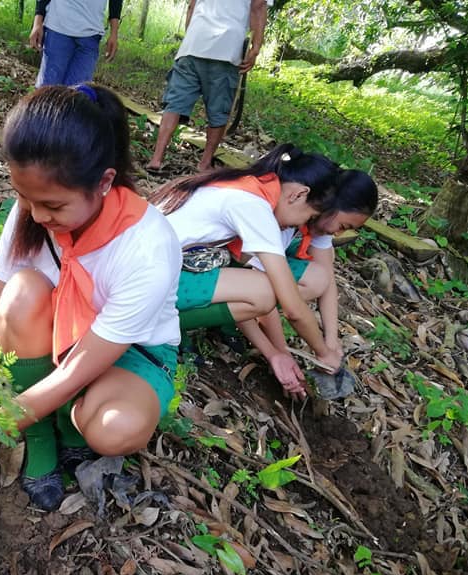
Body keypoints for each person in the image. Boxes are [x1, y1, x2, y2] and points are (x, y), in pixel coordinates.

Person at [0, 84, 181, 512]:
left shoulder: (147, 247)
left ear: (104, 182)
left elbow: (71, 375)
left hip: (129, 352)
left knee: (115, 430)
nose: (37, 215)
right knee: (21, 293)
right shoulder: (31, 211)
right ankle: (41, 436)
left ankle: (69, 427)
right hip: (50, 337)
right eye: (24, 197)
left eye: (53, 205)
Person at [149, 143, 343, 396]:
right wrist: (324, 352)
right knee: (266, 290)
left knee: (262, 290)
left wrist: (276, 354)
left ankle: (159, 321)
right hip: (146, 277)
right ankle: (154, 326)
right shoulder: (253, 205)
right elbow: (292, 307)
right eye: (308, 216)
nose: (302, 224)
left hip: (152, 268)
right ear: (298, 194)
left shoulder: (249, 185)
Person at [238, 169, 378, 395]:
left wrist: (331, 342)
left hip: (246, 274)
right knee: (269, 292)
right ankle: (235, 317)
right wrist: (282, 354)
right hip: (209, 272)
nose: (339, 233)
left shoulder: (316, 220)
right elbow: (273, 297)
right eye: (343, 226)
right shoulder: (277, 219)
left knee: (320, 274)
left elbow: (327, 278)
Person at [146, 0, 270, 174]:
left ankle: (156, 158)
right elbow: (258, 6)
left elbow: (191, 5)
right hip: (227, 47)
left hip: (194, 42)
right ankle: (204, 163)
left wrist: (190, 36)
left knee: (175, 102)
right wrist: (256, 47)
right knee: (219, 110)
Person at [30, 0, 123, 87]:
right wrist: (37, 22)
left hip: (91, 32)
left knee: (77, 96)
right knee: (48, 91)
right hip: (58, 27)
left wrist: (114, 33)